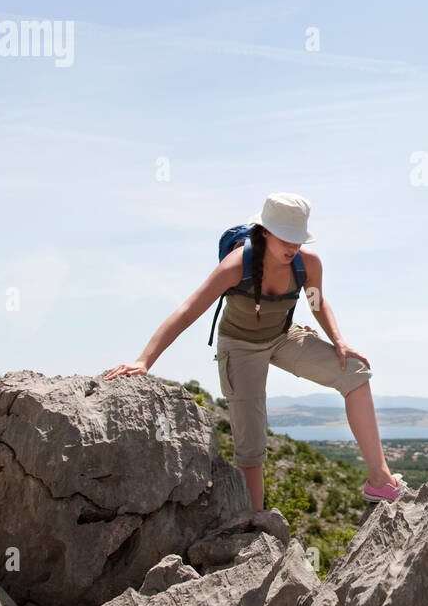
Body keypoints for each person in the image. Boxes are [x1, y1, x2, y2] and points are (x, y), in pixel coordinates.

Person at [102, 191, 407, 523]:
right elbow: (189, 310)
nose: (292, 246)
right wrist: (145, 360)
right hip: (240, 346)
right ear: (263, 232)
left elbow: (317, 302)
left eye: (297, 238)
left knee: (355, 372)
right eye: (284, 237)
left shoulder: (308, 264)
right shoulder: (237, 265)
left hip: (282, 336)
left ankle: (380, 480)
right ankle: (255, 525)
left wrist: (338, 340)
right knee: (251, 446)